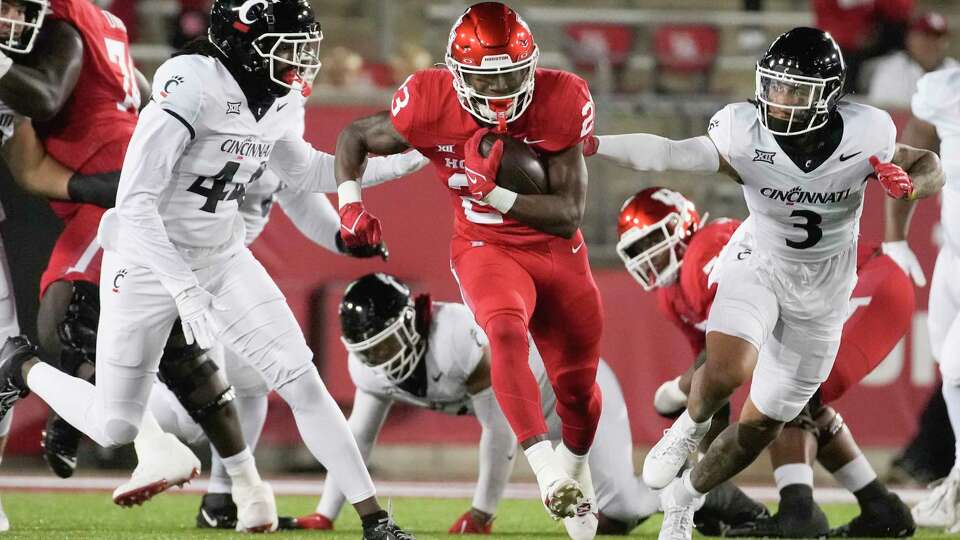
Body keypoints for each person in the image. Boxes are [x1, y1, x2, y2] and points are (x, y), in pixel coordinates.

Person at [0, 0, 421, 538]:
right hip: (146, 258)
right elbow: (134, 202)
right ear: (244, 45)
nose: (300, 61)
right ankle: (20, 367)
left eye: (303, 47)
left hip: (221, 255)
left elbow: (307, 169)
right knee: (115, 424)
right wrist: (182, 287)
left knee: (302, 380)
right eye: (286, 47)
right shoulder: (191, 81)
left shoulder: (279, 99)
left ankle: (375, 521)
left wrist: (413, 159)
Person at [583, 27, 943, 540]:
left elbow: (929, 164)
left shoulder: (869, 133)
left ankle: (684, 501)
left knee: (759, 427)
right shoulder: (743, 131)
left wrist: (912, 186)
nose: (780, 100)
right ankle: (686, 431)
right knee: (729, 367)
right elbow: (669, 153)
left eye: (795, 91)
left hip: (824, 290)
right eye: (774, 87)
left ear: (828, 94)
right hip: (759, 261)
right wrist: (594, 143)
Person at [333, 2, 604, 538]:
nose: (502, 90)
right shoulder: (429, 100)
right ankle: (548, 473)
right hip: (484, 246)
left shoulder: (563, 97)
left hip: (556, 250)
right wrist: (348, 205)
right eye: (487, 77)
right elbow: (355, 138)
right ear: (455, 75)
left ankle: (575, 467)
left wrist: (496, 192)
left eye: (511, 74)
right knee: (502, 330)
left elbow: (569, 213)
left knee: (578, 392)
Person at [601, 186, 916, 537]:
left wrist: (677, 389)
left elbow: (733, 347)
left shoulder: (708, 247)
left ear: (682, 226)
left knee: (792, 388)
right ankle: (879, 507)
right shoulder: (672, 297)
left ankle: (798, 514)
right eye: (637, 250)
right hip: (843, 293)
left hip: (866, 280)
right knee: (791, 391)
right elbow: (713, 381)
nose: (647, 257)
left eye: (651, 242)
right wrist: (711, 471)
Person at [897, 66, 960, 532]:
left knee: (958, 369)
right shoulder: (945, 90)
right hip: (952, 255)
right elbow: (906, 160)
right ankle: (957, 483)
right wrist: (895, 238)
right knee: (948, 365)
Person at [867, 12, 957, 108]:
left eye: (938, 37)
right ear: (910, 38)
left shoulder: (955, 70)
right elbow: (885, 112)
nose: (931, 43)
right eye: (926, 36)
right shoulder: (890, 69)